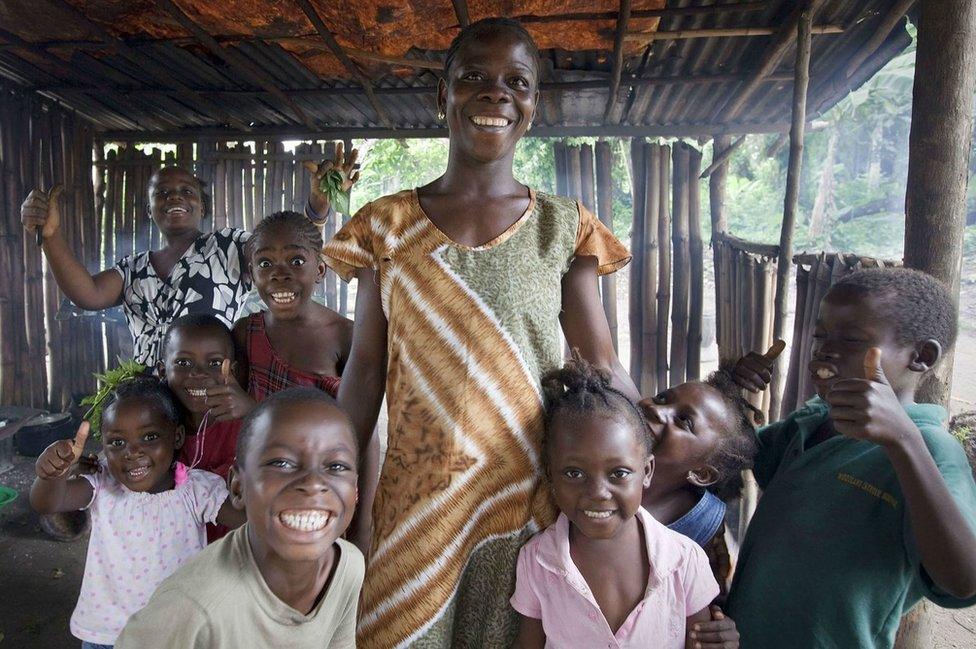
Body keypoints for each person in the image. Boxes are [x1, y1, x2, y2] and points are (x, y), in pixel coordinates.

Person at [323, 17, 635, 647]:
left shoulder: (563, 229)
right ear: (442, 96)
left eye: (514, 82)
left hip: (523, 501)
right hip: (414, 500)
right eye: (474, 79)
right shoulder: (385, 228)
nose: (495, 95)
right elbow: (364, 370)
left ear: (532, 105)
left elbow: (600, 371)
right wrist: (336, 476)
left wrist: (653, 457)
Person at [725, 267, 976, 648]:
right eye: (820, 337)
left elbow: (962, 582)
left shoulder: (930, 449)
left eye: (852, 340)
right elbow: (730, 454)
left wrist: (903, 442)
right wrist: (728, 390)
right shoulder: (812, 422)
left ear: (921, 356)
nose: (826, 352)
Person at [20, 144, 359, 366]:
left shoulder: (229, 246)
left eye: (186, 191)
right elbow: (88, 295)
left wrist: (318, 206)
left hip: (209, 395)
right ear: (150, 208)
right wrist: (51, 235)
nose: (174, 198)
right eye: (162, 193)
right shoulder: (133, 269)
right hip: (149, 403)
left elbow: (284, 243)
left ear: (203, 205)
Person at [511, 354, 731, 649]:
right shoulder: (537, 561)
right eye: (574, 473)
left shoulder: (685, 561)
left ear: (646, 471)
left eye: (618, 473)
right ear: (550, 476)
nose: (598, 492)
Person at [116, 388, 364, 649]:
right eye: (282, 463)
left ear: (355, 490)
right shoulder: (192, 607)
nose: (313, 484)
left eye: (336, 466)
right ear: (237, 488)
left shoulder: (348, 567)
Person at [29, 376, 242, 648]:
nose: (132, 452)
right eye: (117, 442)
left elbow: (252, 522)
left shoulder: (197, 491)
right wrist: (52, 475)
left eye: (150, 437)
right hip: (107, 637)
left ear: (176, 437)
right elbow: (46, 503)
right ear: (103, 445)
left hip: (176, 635)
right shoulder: (102, 483)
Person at [638, 341, 783, 595]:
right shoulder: (594, 462)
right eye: (662, 398)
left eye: (684, 421)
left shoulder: (696, 529)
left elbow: (703, 608)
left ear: (702, 474)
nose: (655, 408)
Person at [233, 210, 352, 400]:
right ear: (253, 274)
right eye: (265, 264)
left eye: (297, 261)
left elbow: (361, 423)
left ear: (320, 270)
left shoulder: (345, 336)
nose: (279, 274)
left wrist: (251, 410)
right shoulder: (245, 333)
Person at [159, 313, 254, 541]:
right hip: (169, 553)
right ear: (163, 371)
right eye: (183, 363)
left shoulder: (249, 428)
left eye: (214, 363)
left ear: (232, 371)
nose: (198, 373)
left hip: (231, 553)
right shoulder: (155, 426)